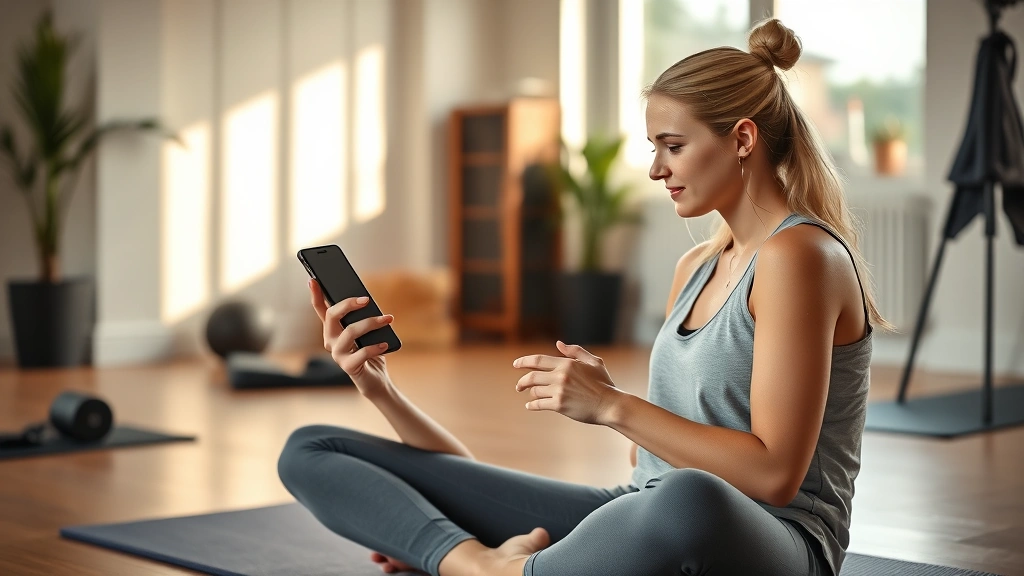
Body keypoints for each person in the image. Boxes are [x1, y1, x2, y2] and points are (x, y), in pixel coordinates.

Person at [277, 17, 892, 576]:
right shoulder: (696, 267)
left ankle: (505, 569)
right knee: (314, 448)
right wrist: (379, 387)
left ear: (742, 139)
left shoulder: (800, 258)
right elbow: (641, 471)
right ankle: (476, 566)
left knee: (688, 498)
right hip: (648, 524)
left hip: (768, 545)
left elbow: (774, 475)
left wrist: (613, 404)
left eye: (672, 146)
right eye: (654, 148)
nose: (656, 169)